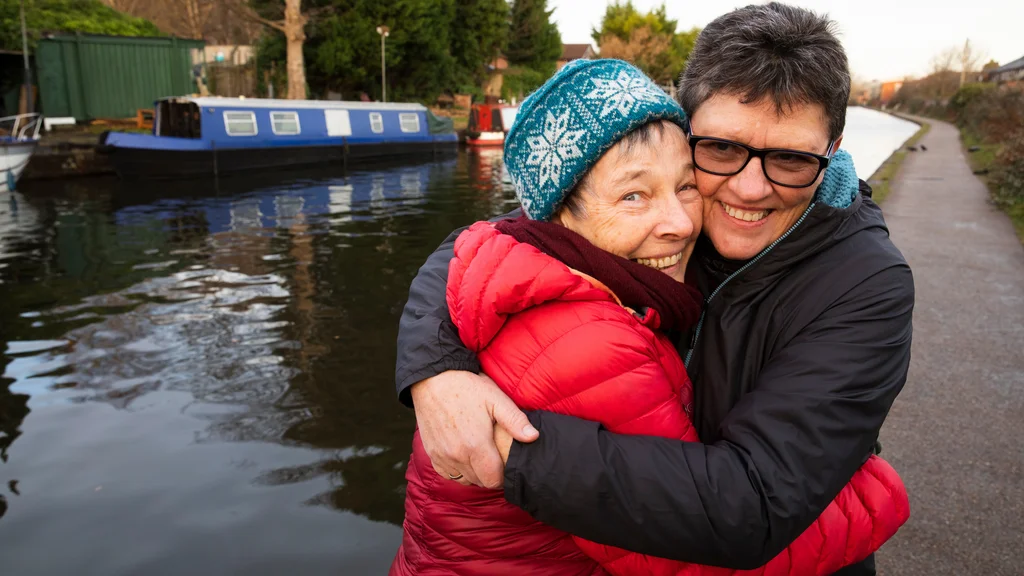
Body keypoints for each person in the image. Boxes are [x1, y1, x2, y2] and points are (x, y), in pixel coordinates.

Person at [396, 4, 915, 575]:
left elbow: (754, 505)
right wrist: (435, 370)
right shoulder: (651, 219)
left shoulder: (865, 283)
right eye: (720, 149)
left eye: (790, 159)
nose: (747, 188)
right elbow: (485, 246)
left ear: (833, 150)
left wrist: (506, 449)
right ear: (684, 128)